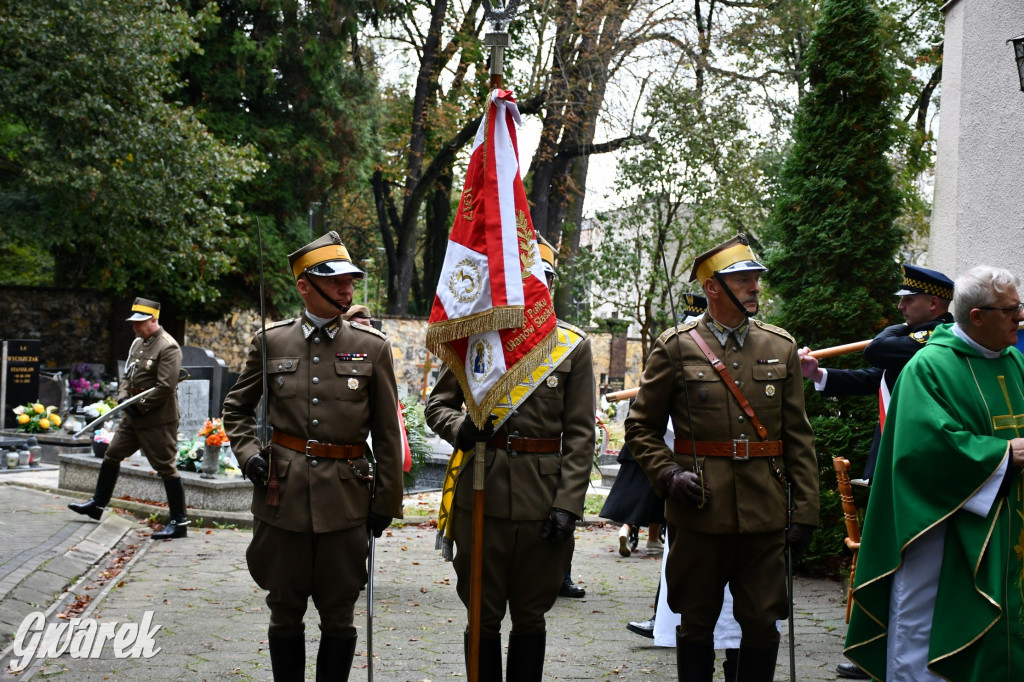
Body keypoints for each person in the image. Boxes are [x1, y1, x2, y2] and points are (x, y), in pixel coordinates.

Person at [625, 234, 819, 681]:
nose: (755, 287)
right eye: (743, 279)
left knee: (762, 623)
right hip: (699, 509)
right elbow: (640, 427)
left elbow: (798, 437)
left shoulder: (780, 346)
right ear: (713, 287)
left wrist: (805, 509)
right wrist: (669, 475)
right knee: (696, 623)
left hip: (764, 511)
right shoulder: (676, 347)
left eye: (755, 279)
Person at [222, 231, 404, 681]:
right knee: (284, 610)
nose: (348, 289)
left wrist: (386, 501)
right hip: (280, 497)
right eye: (337, 281)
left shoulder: (373, 346)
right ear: (305, 285)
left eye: (351, 281)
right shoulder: (271, 342)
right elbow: (236, 409)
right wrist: (248, 456)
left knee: (339, 614)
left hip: (345, 502)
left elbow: (386, 434)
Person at [424, 234, 595, 680]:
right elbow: (437, 405)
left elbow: (580, 435)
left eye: (541, 280)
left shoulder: (572, 346)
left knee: (532, 615)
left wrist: (568, 505)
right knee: (481, 614)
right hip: (482, 491)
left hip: (543, 499)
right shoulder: (478, 335)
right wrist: (459, 428)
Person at [845, 265, 1024, 680]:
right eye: (1010, 309)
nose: (1019, 317)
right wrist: (1000, 456)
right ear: (976, 316)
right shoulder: (929, 366)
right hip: (938, 527)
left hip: (1007, 520)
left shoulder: (1014, 362)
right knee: (926, 630)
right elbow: (923, 449)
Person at [799, 264, 953, 484]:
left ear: (933, 302)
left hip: (918, 456)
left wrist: (897, 328)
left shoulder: (939, 336)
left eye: (908, 300)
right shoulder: (915, 337)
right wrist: (817, 374)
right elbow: (874, 379)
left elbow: (875, 350)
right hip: (900, 450)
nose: (900, 306)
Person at [69, 297, 187, 541]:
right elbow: (127, 376)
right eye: (133, 322)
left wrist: (139, 406)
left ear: (153, 320)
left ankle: (179, 522)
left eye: (139, 322)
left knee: (165, 466)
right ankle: (97, 505)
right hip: (132, 416)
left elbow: (165, 387)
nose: (134, 327)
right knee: (112, 453)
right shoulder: (137, 343)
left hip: (157, 419)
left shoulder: (168, 347)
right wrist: (123, 398)